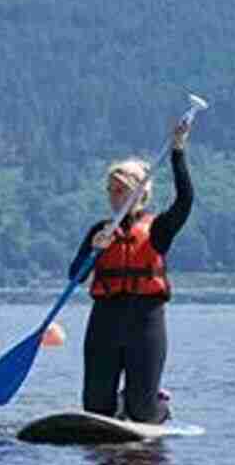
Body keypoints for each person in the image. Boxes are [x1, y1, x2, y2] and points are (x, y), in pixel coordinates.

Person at [68, 120, 194, 424]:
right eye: (111, 190)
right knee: (96, 409)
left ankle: (156, 406)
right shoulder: (101, 231)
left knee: (142, 414)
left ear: (140, 193)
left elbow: (185, 200)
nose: (115, 197)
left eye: (122, 190)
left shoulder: (158, 230)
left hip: (145, 322)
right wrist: (92, 251)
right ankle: (118, 404)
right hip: (105, 321)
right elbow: (75, 276)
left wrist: (178, 153)